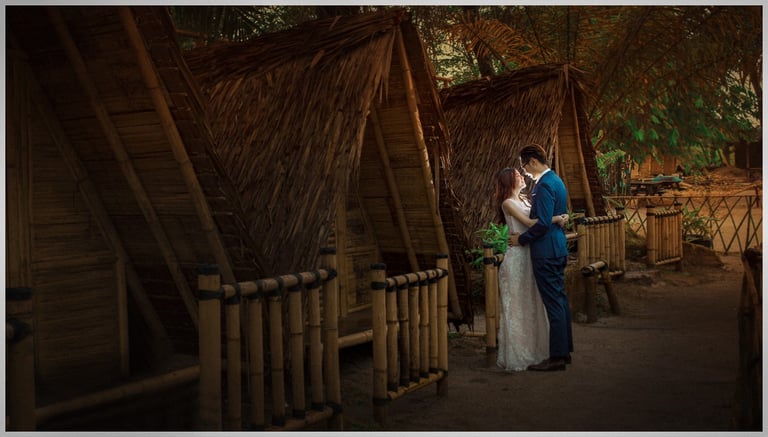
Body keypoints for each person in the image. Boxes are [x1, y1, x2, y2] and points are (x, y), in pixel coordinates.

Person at [494, 167, 569, 372]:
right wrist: (557, 218)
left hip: (531, 255)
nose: (522, 177)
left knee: (533, 304)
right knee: (517, 305)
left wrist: (557, 217)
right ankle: (519, 353)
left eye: (520, 174)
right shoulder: (508, 203)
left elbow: (538, 220)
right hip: (517, 258)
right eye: (517, 176)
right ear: (509, 182)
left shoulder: (527, 200)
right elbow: (529, 223)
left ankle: (537, 350)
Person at [508, 144, 574, 372]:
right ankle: (564, 352)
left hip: (546, 251)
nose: (524, 170)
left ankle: (556, 357)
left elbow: (543, 223)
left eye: (524, 165)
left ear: (533, 161)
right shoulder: (557, 181)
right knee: (560, 300)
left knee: (553, 303)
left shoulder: (544, 185)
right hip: (557, 247)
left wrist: (522, 240)